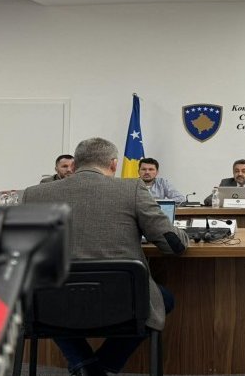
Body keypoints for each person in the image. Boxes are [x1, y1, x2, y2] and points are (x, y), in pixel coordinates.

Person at [22, 137, 189, 376]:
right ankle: (104, 365)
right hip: (121, 300)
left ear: (75, 164)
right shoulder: (131, 189)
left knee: (45, 296)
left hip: (52, 299)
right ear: (113, 164)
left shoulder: (34, 194)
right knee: (164, 299)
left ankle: (84, 365)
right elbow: (173, 245)